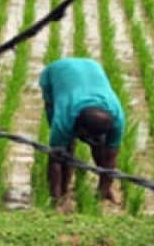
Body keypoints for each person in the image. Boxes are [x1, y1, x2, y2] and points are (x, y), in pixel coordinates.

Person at [38, 57, 126, 205]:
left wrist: (102, 192)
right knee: (64, 148)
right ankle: (63, 190)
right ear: (79, 128)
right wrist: (56, 199)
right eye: (88, 138)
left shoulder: (117, 119)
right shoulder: (64, 118)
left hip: (92, 68)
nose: (92, 142)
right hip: (57, 72)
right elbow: (54, 160)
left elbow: (111, 157)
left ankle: (105, 192)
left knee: (102, 150)